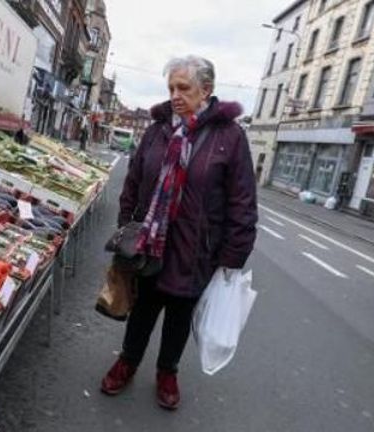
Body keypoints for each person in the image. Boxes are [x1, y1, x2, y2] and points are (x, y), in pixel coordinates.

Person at [100, 55, 258, 410]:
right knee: (143, 309)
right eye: (171, 87)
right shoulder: (158, 129)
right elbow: (134, 180)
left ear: (207, 90)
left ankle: (167, 372)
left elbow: (242, 202)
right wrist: (127, 226)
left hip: (196, 250)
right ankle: (127, 361)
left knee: (179, 316)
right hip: (149, 243)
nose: (174, 94)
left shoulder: (230, 137)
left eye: (183, 87)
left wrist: (233, 258)